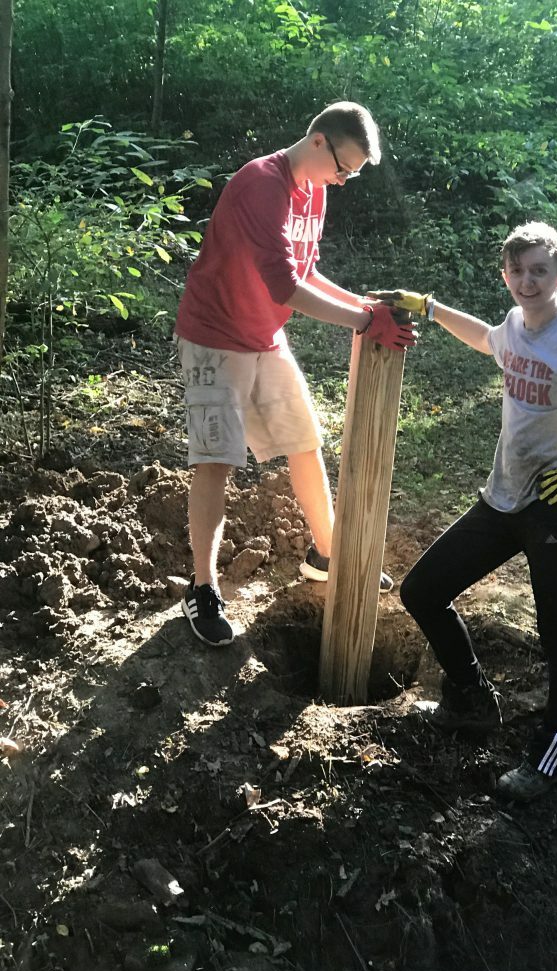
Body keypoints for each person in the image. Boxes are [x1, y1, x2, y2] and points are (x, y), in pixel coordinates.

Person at [371, 221, 557, 803]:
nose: (527, 282)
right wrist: (429, 307)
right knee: (422, 590)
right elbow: (487, 339)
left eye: (539, 271)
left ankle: (556, 752)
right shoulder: (515, 326)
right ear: (506, 275)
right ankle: (473, 699)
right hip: (504, 496)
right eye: (517, 271)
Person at [174, 102, 415, 647]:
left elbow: (305, 270)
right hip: (214, 336)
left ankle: (325, 554)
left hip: (265, 336)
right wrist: (363, 320)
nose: (345, 180)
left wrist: (363, 304)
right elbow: (284, 285)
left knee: (305, 441)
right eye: (345, 167)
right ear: (318, 142)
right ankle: (203, 588)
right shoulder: (262, 184)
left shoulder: (316, 189)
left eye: (352, 173)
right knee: (216, 460)